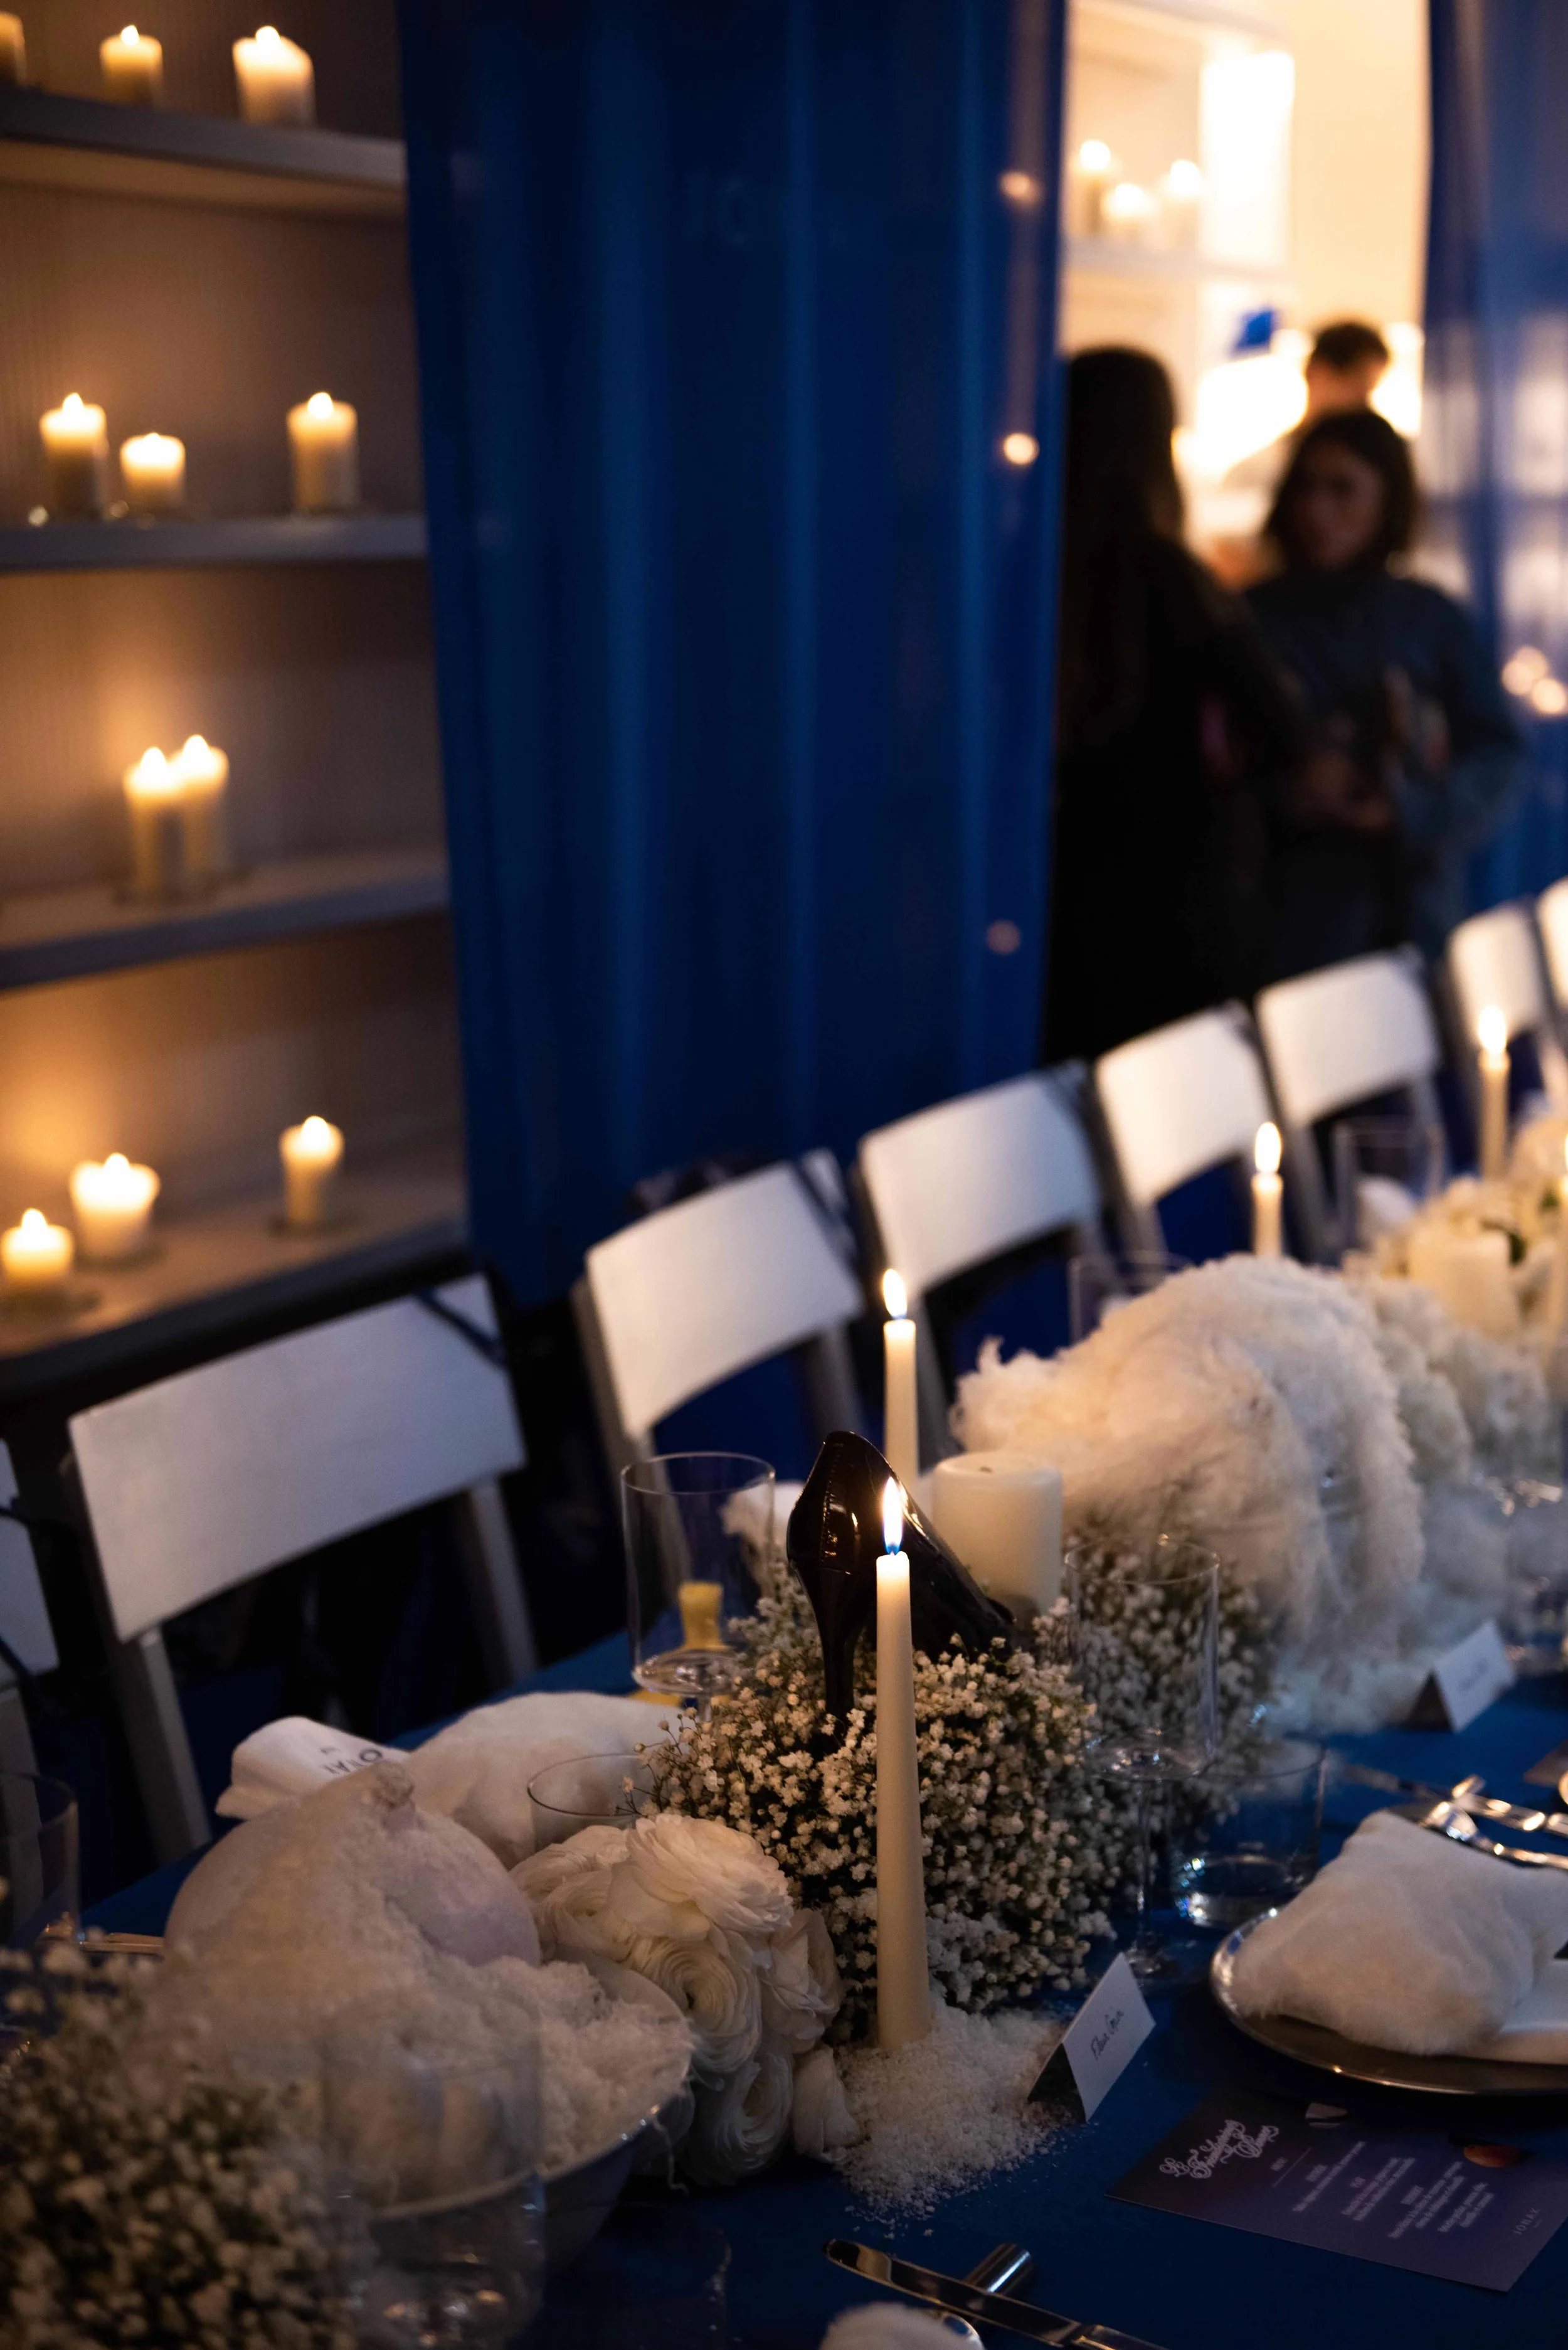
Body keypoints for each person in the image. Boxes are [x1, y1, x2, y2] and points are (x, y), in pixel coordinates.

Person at [1043, 348, 1304, 1064]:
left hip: (1063, 879)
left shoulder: (1029, 569)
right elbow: (1282, 728)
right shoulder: (1171, 575)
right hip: (1177, 885)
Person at [1248, 407, 1524, 981]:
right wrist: (1281, 792)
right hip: (1284, 922)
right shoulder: (1249, 619)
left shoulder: (1425, 616)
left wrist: (1407, 811)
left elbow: (1498, 753)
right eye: (1306, 488)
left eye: (1344, 490)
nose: (1318, 511)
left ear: (1386, 500)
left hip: (1413, 914)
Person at [1224, 319, 1392, 496]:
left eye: (1370, 391)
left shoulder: (1383, 472)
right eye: (1358, 386)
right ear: (1316, 373)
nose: (1365, 404)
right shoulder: (1254, 472)